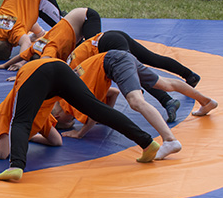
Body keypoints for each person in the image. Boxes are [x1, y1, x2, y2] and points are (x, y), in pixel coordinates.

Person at [0, 58, 162, 183]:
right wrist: (28, 138)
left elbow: (1, 152)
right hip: (58, 68)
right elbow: (56, 140)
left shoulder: (2, 116)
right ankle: (147, 142)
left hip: (35, 72)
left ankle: (16, 166)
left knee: (20, 121)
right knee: (97, 109)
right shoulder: (38, 120)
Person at [54, 50, 217, 161]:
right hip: (119, 57)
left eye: (70, 120)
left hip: (114, 61)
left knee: (136, 101)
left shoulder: (70, 99)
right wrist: (107, 116)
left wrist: (80, 133)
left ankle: (170, 140)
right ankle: (206, 101)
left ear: (58, 115)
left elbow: (93, 111)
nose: (74, 119)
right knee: (165, 84)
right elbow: (113, 93)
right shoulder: (69, 91)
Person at [68, 30, 200, 122]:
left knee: (133, 74)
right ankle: (189, 75)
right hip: (111, 37)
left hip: (108, 43)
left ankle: (167, 101)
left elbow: (90, 89)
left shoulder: (73, 71)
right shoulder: (69, 66)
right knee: (152, 59)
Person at [0, 7, 101, 73]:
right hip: (75, 19)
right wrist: (4, 65)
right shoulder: (37, 46)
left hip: (86, 17)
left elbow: (42, 65)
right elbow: (21, 56)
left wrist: (24, 76)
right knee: (79, 54)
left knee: (93, 49)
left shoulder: (50, 49)